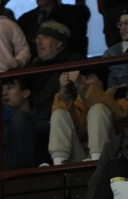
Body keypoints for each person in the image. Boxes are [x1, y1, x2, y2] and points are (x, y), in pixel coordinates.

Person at [26, 21, 84, 165]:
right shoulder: (33, 68)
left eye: (44, 37)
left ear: (59, 42)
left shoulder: (74, 61)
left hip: (62, 118)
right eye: (37, 39)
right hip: (36, 118)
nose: (39, 43)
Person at [17, 0, 90, 58]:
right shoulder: (25, 19)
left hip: (63, 62)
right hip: (34, 65)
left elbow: (77, 43)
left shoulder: (70, 16)